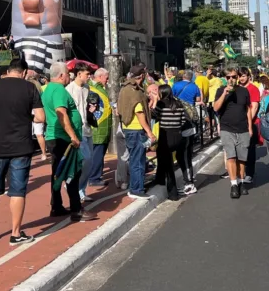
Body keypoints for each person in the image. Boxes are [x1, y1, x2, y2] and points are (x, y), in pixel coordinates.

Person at [0, 58, 45, 244]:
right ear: (23, 72)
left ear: (8, 70)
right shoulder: (30, 88)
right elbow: (40, 117)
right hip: (21, 146)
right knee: (18, 190)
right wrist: (27, 118)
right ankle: (15, 233)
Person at [42, 62, 96, 221]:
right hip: (63, 137)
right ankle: (76, 210)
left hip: (54, 135)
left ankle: (57, 206)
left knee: (58, 173)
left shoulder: (47, 90)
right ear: (60, 75)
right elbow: (61, 113)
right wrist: (72, 135)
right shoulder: (59, 90)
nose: (69, 76)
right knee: (72, 172)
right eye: (67, 73)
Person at [214, 67, 253, 199]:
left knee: (241, 159)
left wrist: (250, 127)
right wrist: (224, 93)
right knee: (231, 157)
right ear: (225, 79)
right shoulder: (220, 90)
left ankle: (241, 182)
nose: (231, 79)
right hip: (227, 128)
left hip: (242, 128)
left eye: (234, 77)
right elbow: (215, 108)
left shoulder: (244, 91)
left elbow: (248, 109)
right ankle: (233, 184)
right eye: (228, 77)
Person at [119, 64, 155, 200]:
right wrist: (149, 132)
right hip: (135, 129)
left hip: (129, 129)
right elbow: (139, 113)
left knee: (136, 159)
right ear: (142, 76)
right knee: (138, 161)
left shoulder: (125, 88)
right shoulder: (135, 91)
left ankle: (136, 187)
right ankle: (136, 189)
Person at [151, 84, 190, 201]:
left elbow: (153, 116)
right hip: (177, 136)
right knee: (163, 157)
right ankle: (159, 179)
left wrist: (154, 101)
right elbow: (183, 120)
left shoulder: (161, 104)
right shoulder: (178, 104)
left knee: (168, 165)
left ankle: (173, 193)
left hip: (165, 135)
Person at [80, 68, 113, 190]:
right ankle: (94, 177)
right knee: (97, 154)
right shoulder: (92, 89)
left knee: (98, 154)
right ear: (99, 77)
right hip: (98, 127)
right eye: (106, 77)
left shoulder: (96, 88)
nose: (108, 80)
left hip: (102, 127)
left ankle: (95, 175)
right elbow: (93, 108)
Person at [65, 65, 93, 201]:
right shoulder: (69, 89)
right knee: (85, 159)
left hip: (88, 128)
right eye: (87, 74)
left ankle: (81, 188)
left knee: (89, 161)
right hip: (77, 129)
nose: (89, 76)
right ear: (79, 74)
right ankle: (75, 186)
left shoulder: (87, 88)